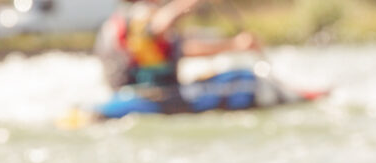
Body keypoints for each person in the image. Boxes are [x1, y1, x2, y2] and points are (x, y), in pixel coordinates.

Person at [91, 0, 264, 120]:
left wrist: (234, 45)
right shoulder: (141, 14)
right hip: (151, 95)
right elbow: (157, 26)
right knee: (243, 79)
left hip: (138, 92)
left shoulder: (118, 20)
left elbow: (184, 49)